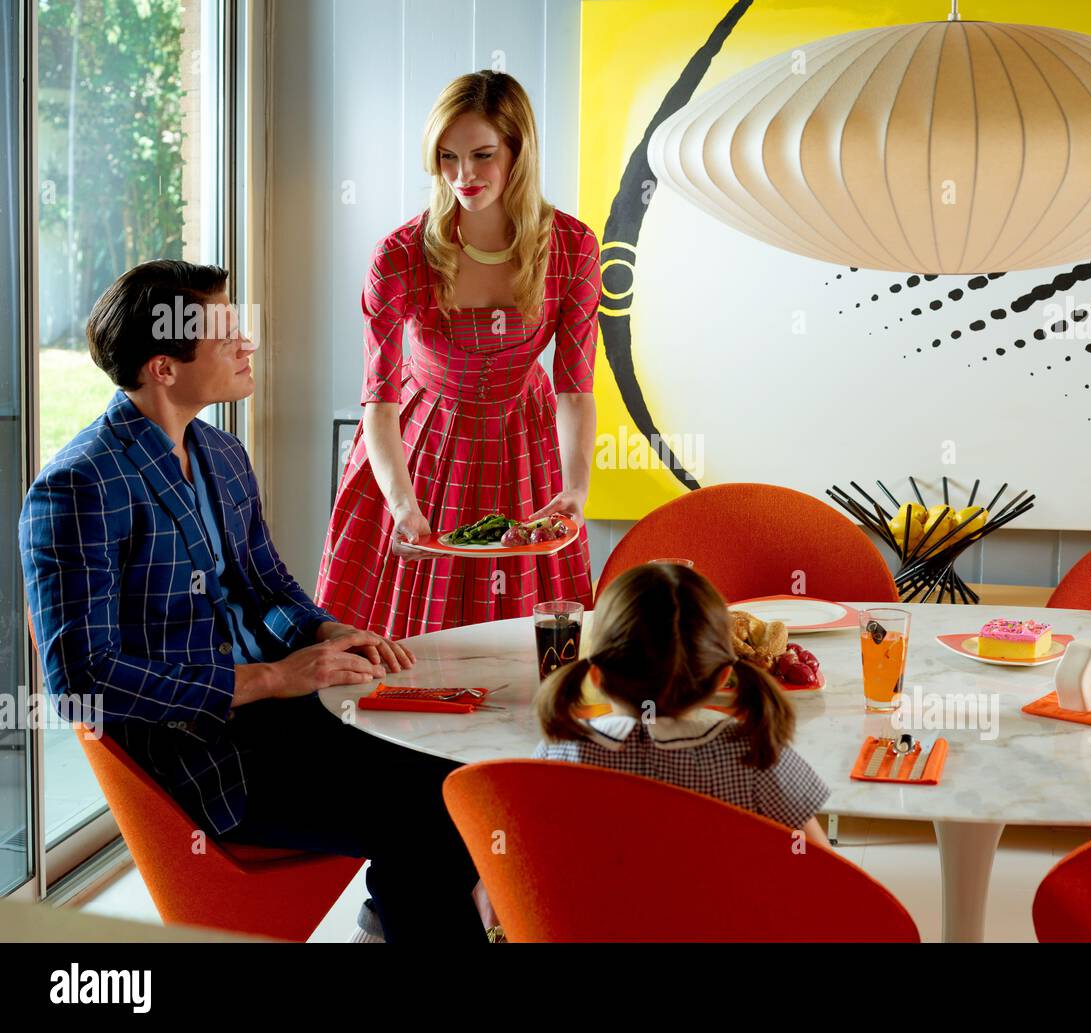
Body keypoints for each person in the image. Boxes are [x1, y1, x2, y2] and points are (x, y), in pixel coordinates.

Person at [19, 260, 484, 943]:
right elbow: (81, 680)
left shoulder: (222, 452)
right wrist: (272, 677)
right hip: (200, 755)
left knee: (459, 771)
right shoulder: (77, 485)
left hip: (283, 718)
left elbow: (266, 586)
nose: (248, 343)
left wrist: (329, 631)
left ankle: (389, 919)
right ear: (163, 367)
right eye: (226, 331)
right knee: (426, 806)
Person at [316, 69, 599, 638]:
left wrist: (575, 488)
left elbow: (574, 385)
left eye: (483, 155)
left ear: (520, 150)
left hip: (524, 439)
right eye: (447, 157)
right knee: (396, 645)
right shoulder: (398, 256)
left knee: (527, 643)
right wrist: (402, 505)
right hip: (419, 443)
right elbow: (379, 399)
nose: (463, 175)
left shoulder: (573, 246)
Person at [534, 563, 833, 845]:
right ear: (723, 677)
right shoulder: (760, 758)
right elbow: (828, 877)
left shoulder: (560, 752)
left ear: (596, 676)